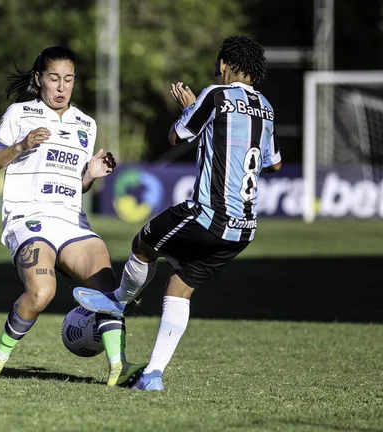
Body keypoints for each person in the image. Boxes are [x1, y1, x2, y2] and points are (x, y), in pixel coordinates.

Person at [73, 36, 282, 390]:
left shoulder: (215, 95)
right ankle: (152, 375)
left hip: (207, 214)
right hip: (243, 229)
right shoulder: (267, 107)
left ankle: (117, 301)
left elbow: (175, 136)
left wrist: (190, 110)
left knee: (143, 244)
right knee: (179, 285)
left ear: (224, 65)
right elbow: (273, 164)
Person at [0, 45, 145, 386]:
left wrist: (91, 174)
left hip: (70, 221)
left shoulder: (85, 124)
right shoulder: (19, 114)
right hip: (27, 219)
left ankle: (118, 367)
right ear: (39, 79)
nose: (62, 87)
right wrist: (21, 146)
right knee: (42, 292)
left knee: (107, 281)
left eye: (69, 79)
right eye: (54, 78)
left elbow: (75, 187)